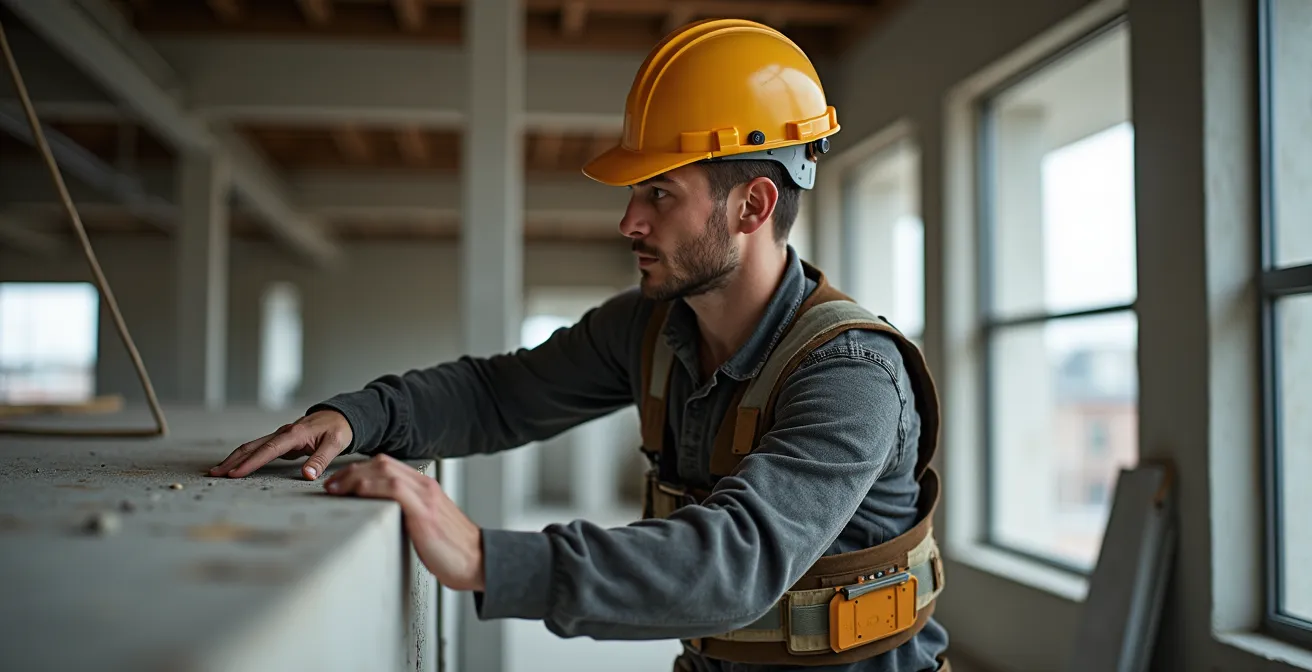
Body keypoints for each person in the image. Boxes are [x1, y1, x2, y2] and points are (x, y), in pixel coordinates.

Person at [211, 18, 950, 672]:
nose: (629, 220)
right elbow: (499, 395)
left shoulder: (852, 375)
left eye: (660, 193)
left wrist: (484, 557)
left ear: (752, 204)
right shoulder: (652, 326)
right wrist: (357, 417)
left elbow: (736, 565)